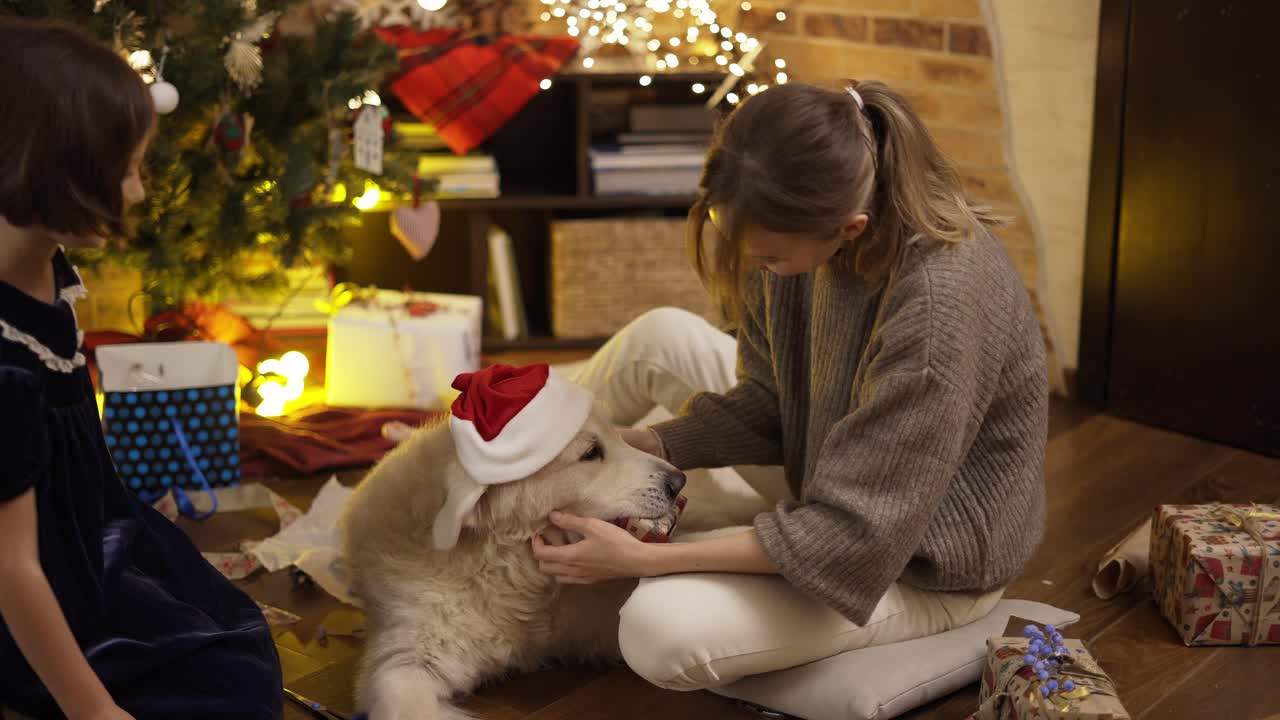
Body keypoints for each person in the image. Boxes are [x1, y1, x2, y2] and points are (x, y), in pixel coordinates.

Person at [532, 81, 1049, 691]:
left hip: (919, 562)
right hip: (837, 470)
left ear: (849, 230)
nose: (756, 266)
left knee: (654, 628)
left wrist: (651, 561)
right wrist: (645, 442)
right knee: (660, 335)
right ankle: (522, 472)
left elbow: (851, 536)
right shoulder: (787, 225)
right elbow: (772, 403)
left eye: (771, 258)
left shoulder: (939, 309)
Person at [0, 18, 282, 720]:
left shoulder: (45, 266)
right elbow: (11, 570)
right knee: (225, 692)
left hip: (83, 529)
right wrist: (93, 710)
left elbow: (64, 427)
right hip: (30, 588)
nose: (138, 192)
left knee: (232, 637)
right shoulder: (2, 364)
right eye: (126, 170)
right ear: (54, 169)